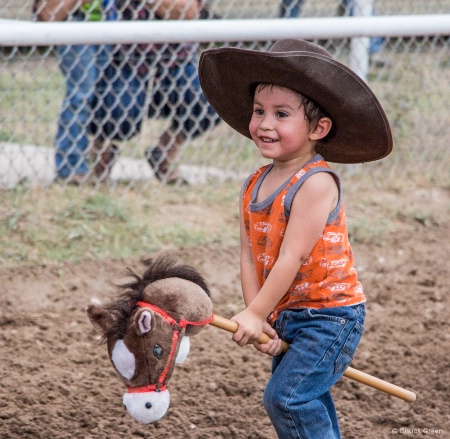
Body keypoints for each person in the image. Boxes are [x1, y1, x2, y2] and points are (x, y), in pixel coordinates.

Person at [199, 39, 392, 438]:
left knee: (288, 399)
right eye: (259, 111)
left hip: (330, 316)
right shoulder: (253, 183)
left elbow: (292, 256)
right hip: (288, 313)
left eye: (281, 114)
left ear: (318, 128)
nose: (265, 123)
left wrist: (254, 315)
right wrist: (263, 315)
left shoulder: (316, 183)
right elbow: (249, 254)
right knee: (306, 397)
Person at [90, 0, 221, 184]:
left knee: (214, 97)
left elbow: (188, 11)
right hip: (124, 61)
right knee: (119, 111)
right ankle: (102, 154)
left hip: (175, 60)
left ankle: (164, 153)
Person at [33, 0, 114, 185]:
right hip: (76, 22)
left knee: (100, 96)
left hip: (106, 20)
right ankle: (71, 167)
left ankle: (93, 159)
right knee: (80, 95)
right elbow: (46, 14)